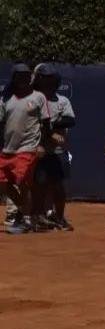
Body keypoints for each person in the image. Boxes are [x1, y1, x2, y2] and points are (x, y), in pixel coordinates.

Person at [0, 63, 48, 234]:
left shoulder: (39, 97)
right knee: (2, 184)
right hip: (7, 149)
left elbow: (46, 123)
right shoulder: (5, 99)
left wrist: (42, 144)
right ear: (14, 78)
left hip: (28, 147)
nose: (23, 79)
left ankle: (25, 218)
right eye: (20, 76)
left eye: (26, 76)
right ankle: (26, 211)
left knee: (23, 183)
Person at [30, 63, 76, 231]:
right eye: (44, 79)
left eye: (51, 79)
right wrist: (50, 131)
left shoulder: (62, 101)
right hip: (38, 150)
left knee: (58, 186)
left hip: (57, 151)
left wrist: (50, 125)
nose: (48, 83)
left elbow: (70, 120)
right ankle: (38, 218)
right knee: (39, 185)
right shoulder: (33, 99)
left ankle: (59, 217)